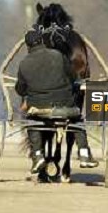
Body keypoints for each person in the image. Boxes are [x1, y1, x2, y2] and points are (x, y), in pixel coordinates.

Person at [15, 28, 98, 174]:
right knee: (76, 119)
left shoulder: (24, 64)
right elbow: (73, 78)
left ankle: (38, 155)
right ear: (41, 41)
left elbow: (21, 90)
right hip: (65, 106)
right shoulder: (58, 56)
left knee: (32, 123)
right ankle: (84, 153)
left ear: (28, 46)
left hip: (39, 109)